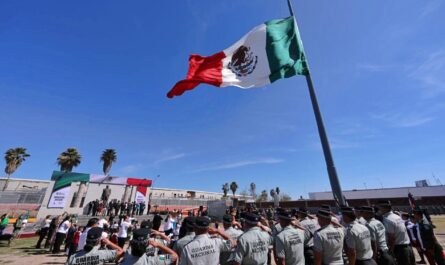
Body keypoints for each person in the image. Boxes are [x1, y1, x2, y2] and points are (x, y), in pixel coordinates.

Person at [377, 201, 415, 265]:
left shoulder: (388, 219)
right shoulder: (397, 217)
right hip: (407, 246)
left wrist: (391, 251)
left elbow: (391, 237)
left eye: (380, 208)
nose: (379, 210)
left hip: (399, 249)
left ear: (385, 208)